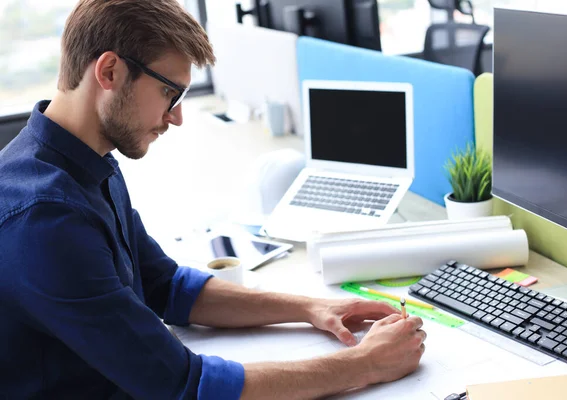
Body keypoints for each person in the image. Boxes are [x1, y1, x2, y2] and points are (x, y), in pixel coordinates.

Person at [0, 1, 426, 398]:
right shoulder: (45, 218)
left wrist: (312, 307)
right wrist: (366, 364)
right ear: (109, 72)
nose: (177, 117)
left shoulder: (88, 160)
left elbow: (164, 286)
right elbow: (184, 386)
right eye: (170, 92)